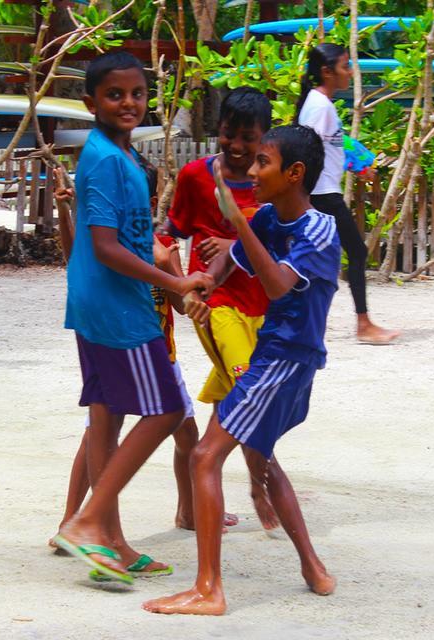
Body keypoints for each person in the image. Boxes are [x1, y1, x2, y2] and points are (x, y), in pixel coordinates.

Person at [144, 125, 338, 616]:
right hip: (279, 355)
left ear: (294, 173)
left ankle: (209, 588)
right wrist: (205, 280)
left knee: (205, 457)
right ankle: (313, 568)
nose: (252, 171)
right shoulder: (273, 215)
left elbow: (275, 286)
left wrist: (237, 219)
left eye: (263, 163)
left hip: (283, 360)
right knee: (262, 456)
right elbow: (232, 255)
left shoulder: (318, 228)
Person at [52, 51, 213, 584]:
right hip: (118, 307)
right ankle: (89, 521)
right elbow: (105, 247)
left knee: (106, 416)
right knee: (167, 409)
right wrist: (174, 281)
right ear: (90, 102)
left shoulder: (114, 154)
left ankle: (110, 546)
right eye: (115, 94)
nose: (129, 103)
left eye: (138, 94)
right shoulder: (103, 159)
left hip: (96, 303)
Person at [50, 163, 228, 551]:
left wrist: (179, 275)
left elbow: (181, 306)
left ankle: (187, 511)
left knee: (185, 435)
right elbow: (73, 261)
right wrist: (68, 213)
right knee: (99, 436)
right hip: (124, 353)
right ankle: (73, 521)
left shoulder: (161, 248)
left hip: (161, 356)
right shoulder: (107, 242)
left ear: (145, 203)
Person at [164, 87, 283, 534]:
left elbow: (283, 240)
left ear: (263, 138)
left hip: (261, 305)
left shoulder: (268, 182)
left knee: (235, 392)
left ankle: (195, 499)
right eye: (228, 134)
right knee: (249, 390)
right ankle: (260, 486)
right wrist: (179, 286)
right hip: (216, 305)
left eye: (246, 138)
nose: (235, 146)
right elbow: (169, 234)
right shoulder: (196, 177)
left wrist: (237, 243)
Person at [296, 43, 400, 344]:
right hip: (322, 194)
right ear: (327, 72)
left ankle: (342, 322)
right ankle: (363, 324)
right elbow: (308, 149)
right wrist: (307, 197)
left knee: (315, 258)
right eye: (345, 66)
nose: (351, 72)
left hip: (322, 192)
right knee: (354, 252)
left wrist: (357, 165)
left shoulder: (322, 104)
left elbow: (332, 147)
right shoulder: (319, 106)